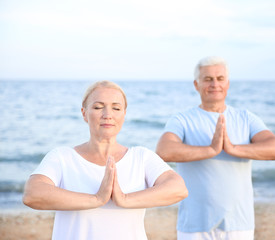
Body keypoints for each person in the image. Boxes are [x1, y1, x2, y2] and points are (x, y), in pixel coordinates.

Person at [23, 80, 188, 240]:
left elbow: (178, 189)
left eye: (116, 108)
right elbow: (32, 194)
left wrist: (124, 199)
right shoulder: (62, 157)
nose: (107, 115)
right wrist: (97, 199)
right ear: (84, 113)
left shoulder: (141, 157)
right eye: (98, 107)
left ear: (124, 114)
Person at [156, 56, 275, 240]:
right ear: (196, 84)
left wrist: (232, 148)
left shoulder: (246, 118)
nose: (214, 84)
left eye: (220, 78)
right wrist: (210, 150)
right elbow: (164, 150)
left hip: (238, 223)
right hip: (194, 224)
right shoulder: (181, 120)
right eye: (207, 79)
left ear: (228, 83)